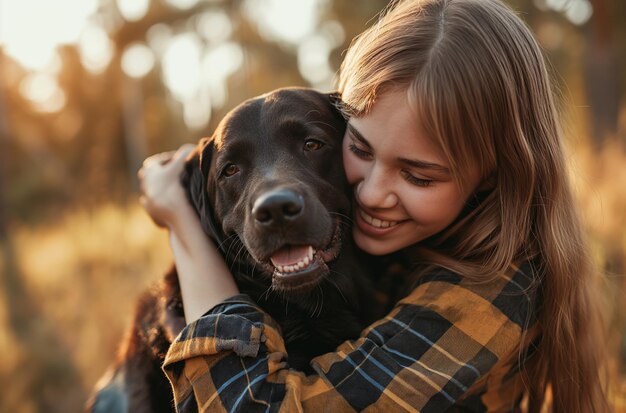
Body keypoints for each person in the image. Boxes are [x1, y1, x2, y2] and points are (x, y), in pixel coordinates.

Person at [138, 0, 608, 411]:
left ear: (491, 176)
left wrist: (182, 225)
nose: (369, 194)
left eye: (418, 175)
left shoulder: (494, 292)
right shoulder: (393, 243)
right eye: (360, 149)